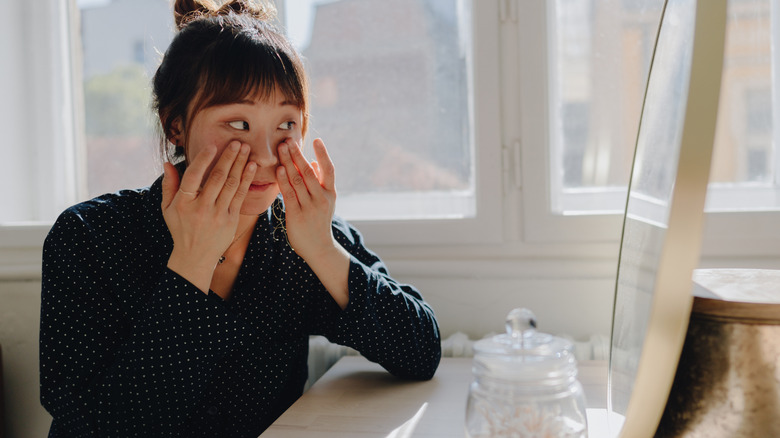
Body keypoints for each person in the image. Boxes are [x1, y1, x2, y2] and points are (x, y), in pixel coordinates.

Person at [38, 1, 441, 436]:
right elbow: (99, 426)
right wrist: (192, 263)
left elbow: (421, 353)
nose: (267, 156)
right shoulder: (89, 238)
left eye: (286, 124)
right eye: (238, 124)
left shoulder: (300, 237)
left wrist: (323, 250)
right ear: (175, 126)